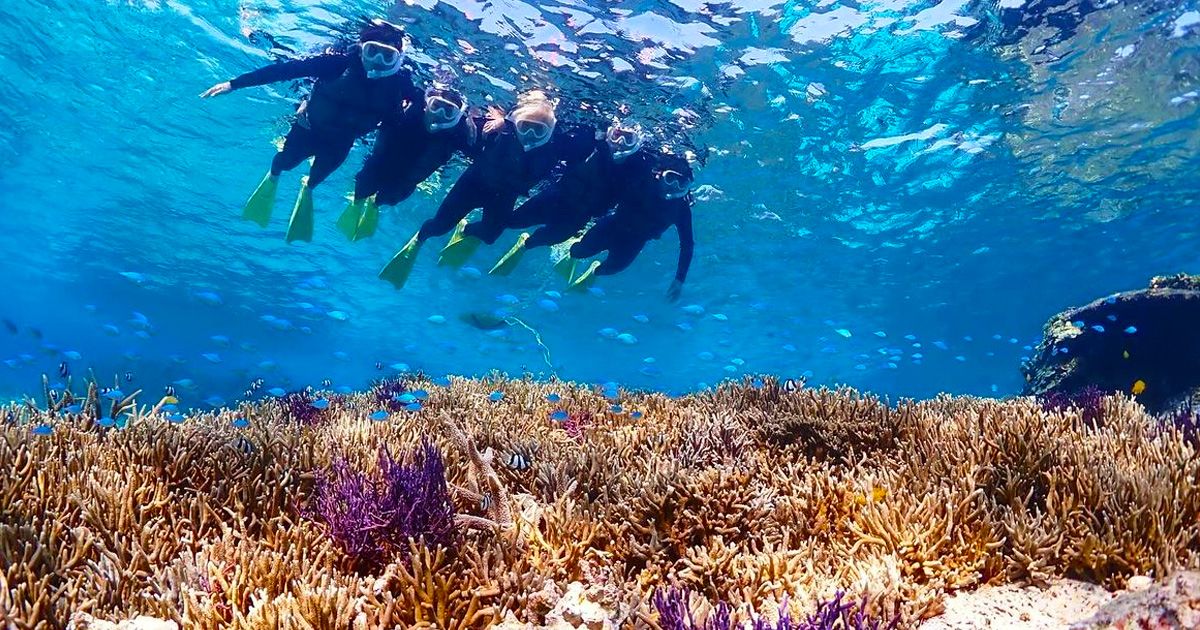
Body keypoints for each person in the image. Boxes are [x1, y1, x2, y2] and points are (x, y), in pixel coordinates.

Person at [200, 19, 420, 243]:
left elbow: (413, 115)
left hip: (341, 143)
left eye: (388, 56)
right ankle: (273, 177)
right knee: (284, 163)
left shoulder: (401, 85)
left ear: (398, 59)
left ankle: (307, 188)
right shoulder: (336, 64)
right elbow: (285, 70)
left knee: (317, 179)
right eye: (373, 51)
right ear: (360, 49)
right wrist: (234, 84)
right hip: (308, 129)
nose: (379, 62)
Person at [377, 90, 596, 289]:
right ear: (515, 121)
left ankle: (465, 230)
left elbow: (588, 137)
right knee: (439, 226)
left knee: (490, 235)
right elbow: (460, 123)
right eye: (524, 126)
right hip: (473, 185)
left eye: (538, 130)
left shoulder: (558, 145)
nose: (529, 135)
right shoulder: (497, 129)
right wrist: (490, 120)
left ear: (550, 130)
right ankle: (419, 240)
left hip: (504, 195)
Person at [485, 120, 656, 277]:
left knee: (551, 238)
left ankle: (526, 243)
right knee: (511, 222)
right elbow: (557, 142)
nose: (620, 143)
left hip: (581, 215)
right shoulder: (590, 142)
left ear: (638, 143)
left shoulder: (639, 167)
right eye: (617, 135)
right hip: (556, 198)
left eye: (628, 139)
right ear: (609, 132)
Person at [336, 84, 480, 241]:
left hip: (405, 180)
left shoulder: (457, 134)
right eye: (436, 106)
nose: (439, 114)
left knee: (389, 198)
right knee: (363, 187)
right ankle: (357, 202)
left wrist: (474, 119)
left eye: (448, 111)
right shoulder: (407, 111)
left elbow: (480, 152)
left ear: (456, 117)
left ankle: (374, 205)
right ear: (426, 104)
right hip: (379, 166)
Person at [563, 151, 696, 301]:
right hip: (612, 226)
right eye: (670, 178)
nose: (674, 187)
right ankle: (571, 253)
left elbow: (687, 245)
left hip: (634, 242)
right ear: (659, 174)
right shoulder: (643, 180)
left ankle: (594, 271)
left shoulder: (681, 209)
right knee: (579, 252)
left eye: (682, 184)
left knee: (613, 268)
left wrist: (679, 279)